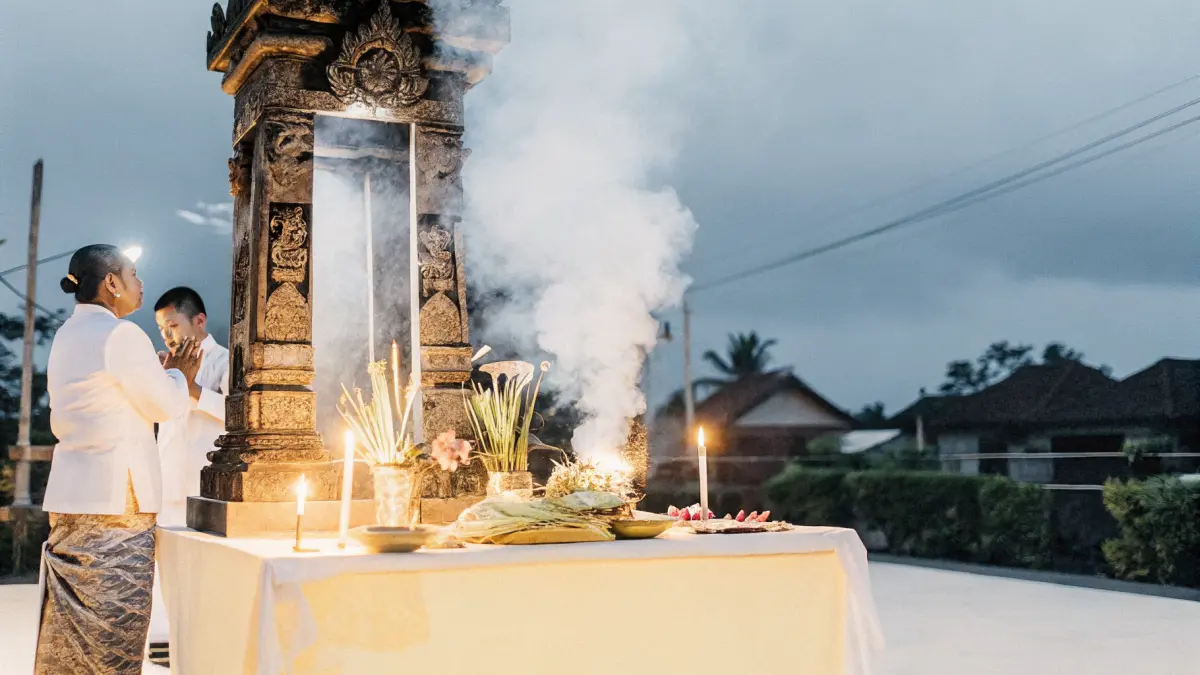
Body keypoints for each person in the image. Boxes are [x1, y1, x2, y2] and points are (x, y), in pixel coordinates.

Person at [34, 245, 203, 675]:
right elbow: (164, 405)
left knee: (71, 635)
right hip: (117, 507)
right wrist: (178, 375)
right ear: (111, 283)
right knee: (114, 640)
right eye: (133, 273)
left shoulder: (68, 334)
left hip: (72, 500)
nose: (139, 282)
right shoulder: (121, 334)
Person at [146, 287, 229, 665]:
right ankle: (167, 645)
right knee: (167, 569)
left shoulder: (226, 361)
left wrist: (193, 389)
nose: (168, 335)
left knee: (206, 573)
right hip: (168, 482)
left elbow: (238, 415)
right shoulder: (165, 367)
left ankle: (205, 647)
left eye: (173, 325)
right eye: (162, 328)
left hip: (205, 485)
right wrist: (165, 382)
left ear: (199, 321)